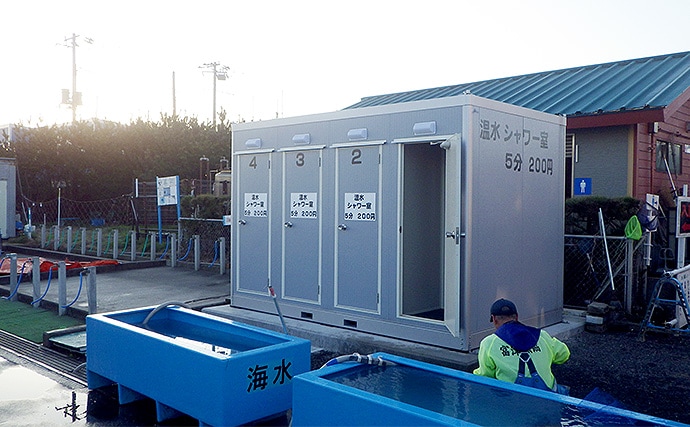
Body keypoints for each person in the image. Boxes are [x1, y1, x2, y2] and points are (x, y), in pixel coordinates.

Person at [473, 298, 570, 394]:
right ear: (516, 317)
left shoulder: (489, 343)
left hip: (512, 400)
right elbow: (564, 355)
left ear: (494, 319)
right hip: (547, 398)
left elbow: (484, 376)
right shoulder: (541, 335)